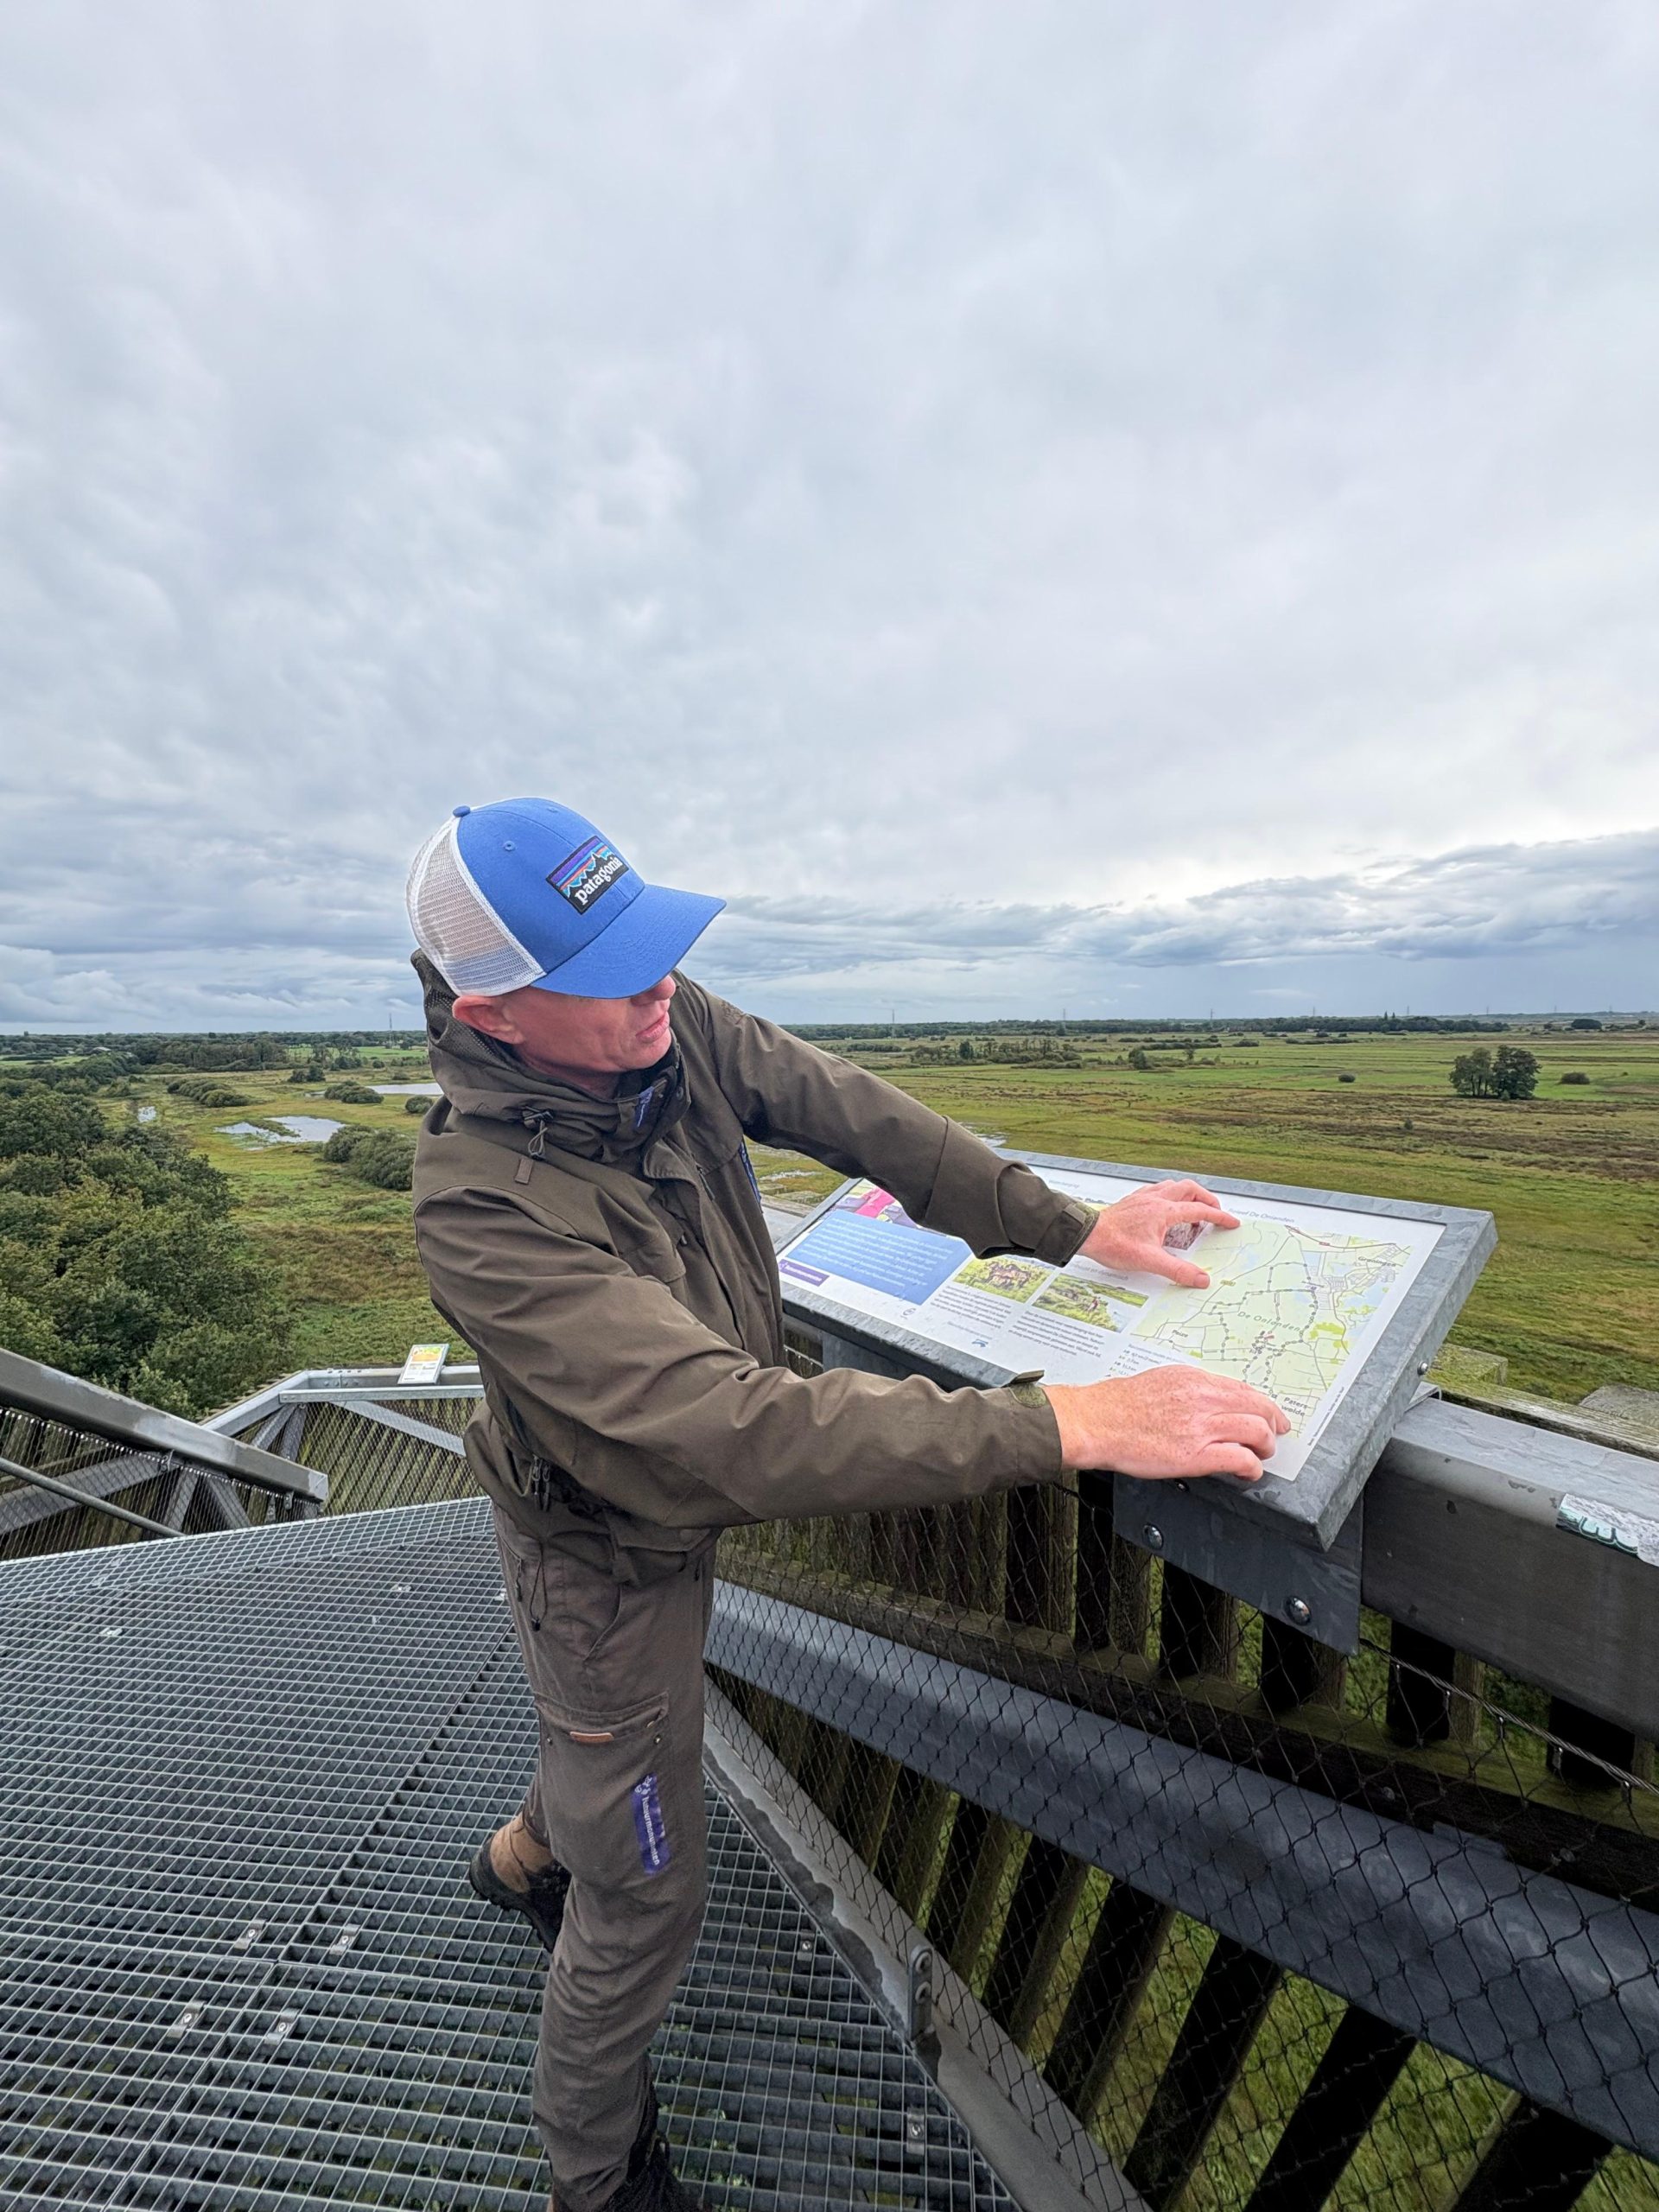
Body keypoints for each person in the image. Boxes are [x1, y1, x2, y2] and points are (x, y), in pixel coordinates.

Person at [404, 798, 1287, 2212]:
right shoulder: (478, 1210)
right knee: (644, 1894)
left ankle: (522, 1861)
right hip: (604, 1551)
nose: (662, 991)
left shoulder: (652, 1020)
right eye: (615, 976)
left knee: (612, 1743)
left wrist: (1061, 1222)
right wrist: (1060, 1423)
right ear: (499, 1012)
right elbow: (723, 1428)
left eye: (658, 953)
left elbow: (845, 1105)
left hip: (664, 1523)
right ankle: (597, 2177)